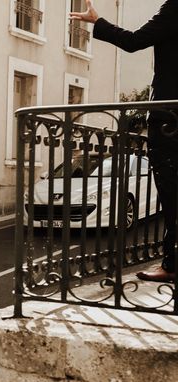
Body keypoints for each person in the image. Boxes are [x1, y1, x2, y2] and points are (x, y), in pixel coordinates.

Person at [71, 0, 178, 283]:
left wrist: (98, 21)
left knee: (171, 197)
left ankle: (172, 264)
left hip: (170, 119)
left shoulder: (174, 7)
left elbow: (134, 41)